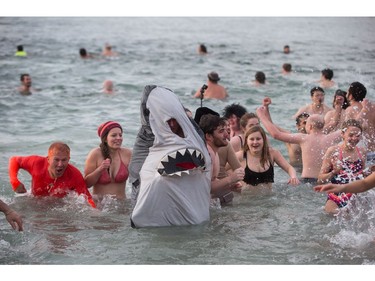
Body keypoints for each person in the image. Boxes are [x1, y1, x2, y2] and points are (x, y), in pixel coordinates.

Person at [130, 86, 211, 228]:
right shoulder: (145, 139)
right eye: (167, 121)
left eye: (175, 119)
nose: (172, 125)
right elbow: (137, 180)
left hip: (195, 217)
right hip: (155, 221)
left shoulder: (192, 133)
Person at [257, 106, 342, 183]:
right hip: (326, 180)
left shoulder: (303, 138)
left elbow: (276, 134)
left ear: (310, 126)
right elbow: (346, 128)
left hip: (308, 181)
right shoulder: (331, 137)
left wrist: (261, 116)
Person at [8, 142, 96, 208]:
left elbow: (87, 197)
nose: (60, 164)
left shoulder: (74, 175)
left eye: (64, 160)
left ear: (69, 159)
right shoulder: (36, 163)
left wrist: (95, 212)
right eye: (56, 160)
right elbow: (14, 160)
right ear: (48, 159)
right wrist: (15, 182)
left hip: (58, 207)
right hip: (34, 201)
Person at [317, 119, 367, 214]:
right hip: (335, 197)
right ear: (342, 134)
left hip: (354, 197)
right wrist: (334, 172)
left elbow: (362, 178)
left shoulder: (362, 152)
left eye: (357, 136)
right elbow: (320, 180)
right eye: (351, 135)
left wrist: (368, 173)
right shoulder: (333, 151)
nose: (354, 138)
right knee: (336, 216)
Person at [234, 125, 299, 193]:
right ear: (247, 141)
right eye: (252, 139)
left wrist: (293, 176)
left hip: (268, 200)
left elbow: (289, 168)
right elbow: (223, 169)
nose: (255, 142)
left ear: (264, 140)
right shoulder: (241, 156)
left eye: (258, 139)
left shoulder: (272, 153)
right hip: (248, 200)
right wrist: (234, 181)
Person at [199, 114, 245, 200]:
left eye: (225, 130)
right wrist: (230, 179)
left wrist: (229, 186)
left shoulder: (213, 151)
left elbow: (213, 181)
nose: (227, 135)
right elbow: (204, 187)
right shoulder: (207, 154)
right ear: (209, 136)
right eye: (221, 131)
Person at [84, 121, 132, 201]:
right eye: (114, 135)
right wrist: (100, 169)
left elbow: (140, 177)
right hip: (100, 206)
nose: (119, 138)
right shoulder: (95, 154)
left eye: (120, 135)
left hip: (122, 205)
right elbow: (86, 184)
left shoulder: (128, 153)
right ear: (105, 139)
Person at [344, 82, 375, 165]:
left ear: (350, 95)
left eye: (347, 92)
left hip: (362, 153)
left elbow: (348, 130)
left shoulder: (350, 110)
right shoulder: (372, 107)